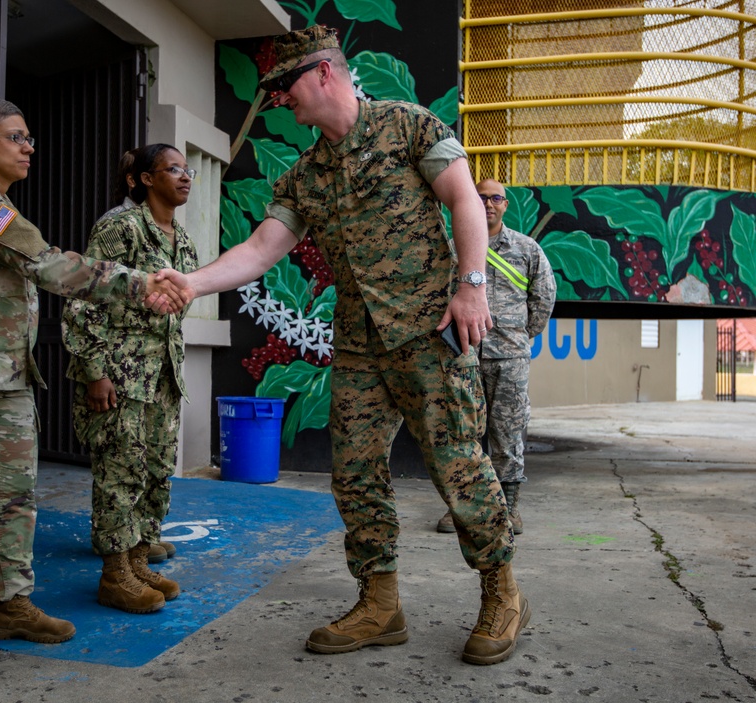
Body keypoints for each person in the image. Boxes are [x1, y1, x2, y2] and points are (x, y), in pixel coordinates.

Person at [167, 25, 528, 665]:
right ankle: (380, 603)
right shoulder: (306, 174)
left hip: (429, 334)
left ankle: (502, 591)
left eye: (287, 85)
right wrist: (190, 283)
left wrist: (472, 286)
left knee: (458, 466)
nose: (281, 98)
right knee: (355, 472)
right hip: (360, 344)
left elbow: (464, 200)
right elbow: (258, 251)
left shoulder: (408, 125)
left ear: (325, 74)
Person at [0, 96, 189, 679]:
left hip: (7, 377)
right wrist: (143, 282)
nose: (28, 146)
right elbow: (47, 265)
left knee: (13, 499)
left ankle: (11, 606)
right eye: (15, 137)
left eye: (29, 138)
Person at [62, 144, 198, 613]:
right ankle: (115, 574)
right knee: (120, 471)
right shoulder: (120, 227)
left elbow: (182, 303)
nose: (185, 177)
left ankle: (139, 560)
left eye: (188, 170)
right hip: (121, 372)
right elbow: (84, 299)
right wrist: (94, 372)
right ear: (143, 179)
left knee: (156, 469)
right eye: (173, 169)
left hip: (162, 374)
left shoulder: (182, 239)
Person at [437, 179, 556, 535]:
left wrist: (519, 336)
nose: (488, 204)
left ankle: (509, 508)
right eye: (480, 197)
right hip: (463, 356)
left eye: (495, 198)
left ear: (505, 205)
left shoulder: (526, 249)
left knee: (507, 433)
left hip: (509, 359)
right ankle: (462, 509)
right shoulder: (452, 247)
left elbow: (544, 297)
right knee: (461, 434)